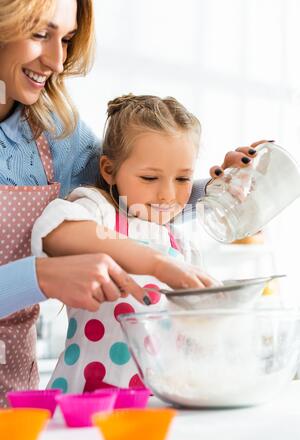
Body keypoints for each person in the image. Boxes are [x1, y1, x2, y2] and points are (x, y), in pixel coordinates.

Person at [0, 0, 265, 403]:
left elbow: (127, 198)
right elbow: (69, 229)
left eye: (67, 38)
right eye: (40, 33)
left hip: (14, 392)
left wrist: (220, 190)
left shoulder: (54, 132)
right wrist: (38, 277)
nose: (57, 60)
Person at [31, 93, 254, 392]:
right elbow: (55, 231)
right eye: (150, 178)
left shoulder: (180, 243)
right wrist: (156, 264)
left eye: (182, 179)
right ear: (109, 170)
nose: (167, 195)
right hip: (92, 396)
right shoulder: (100, 211)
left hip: (159, 399)